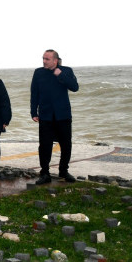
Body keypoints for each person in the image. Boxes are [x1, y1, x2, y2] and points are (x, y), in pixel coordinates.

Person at [30, 49, 79, 185]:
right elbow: (34, 93)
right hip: (45, 115)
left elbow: (75, 87)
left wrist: (61, 75)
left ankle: (63, 171)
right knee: (44, 146)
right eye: (43, 58)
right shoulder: (38, 72)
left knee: (66, 145)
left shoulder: (66, 71)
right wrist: (33, 112)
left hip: (63, 115)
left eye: (47, 59)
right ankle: (45, 173)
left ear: (55, 61)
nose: (44, 61)